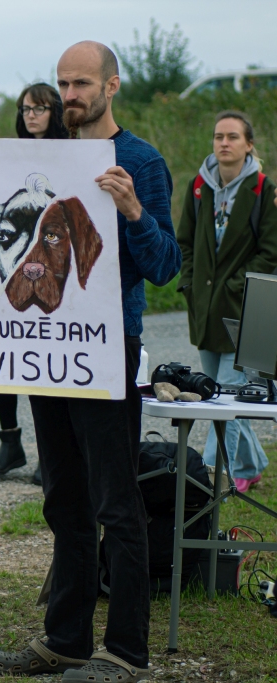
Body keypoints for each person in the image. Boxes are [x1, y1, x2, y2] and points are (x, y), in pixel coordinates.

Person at [0, 42, 180, 682]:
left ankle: (126, 653)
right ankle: (66, 640)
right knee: (65, 502)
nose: (70, 95)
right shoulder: (36, 159)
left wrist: (133, 210)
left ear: (112, 85)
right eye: (62, 83)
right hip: (45, 358)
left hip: (107, 354)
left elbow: (165, 267)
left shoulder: (138, 160)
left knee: (117, 505)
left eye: (82, 83)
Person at [177, 111, 277, 493]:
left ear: (248, 144)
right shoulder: (198, 187)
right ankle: (252, 463)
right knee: (222, 394)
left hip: (243, 310)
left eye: (233, 137)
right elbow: (185, 241)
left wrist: (237, 285)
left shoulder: (264, 190)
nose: (224, 143)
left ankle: (210, 479)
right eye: (218, 136)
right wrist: (188, 283)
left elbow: (270, 252)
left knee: (223, 399)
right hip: (204, 307)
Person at [0, 83, 68, 485]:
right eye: (26, 109)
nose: (31, 115)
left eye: (40, 108)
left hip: (49, 272)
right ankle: (10, 441)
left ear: (56, 111)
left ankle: (49, 453)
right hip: (12, 268)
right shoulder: (8, 158)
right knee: (6, 354)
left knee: (46, 360)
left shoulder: (74, 155)